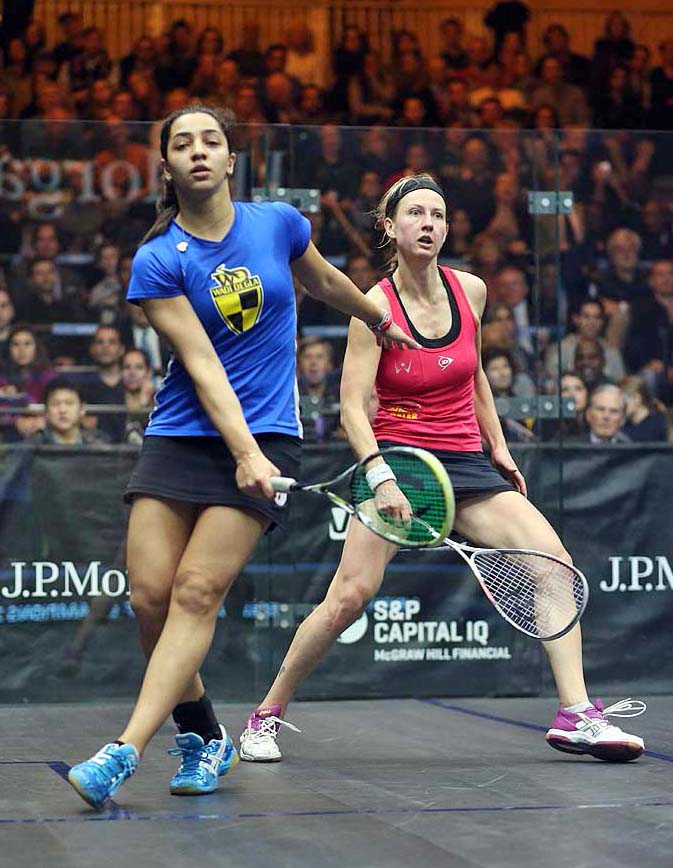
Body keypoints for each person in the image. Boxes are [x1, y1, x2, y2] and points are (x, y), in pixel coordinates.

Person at [67, 104, 417, 809]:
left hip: (269, 434)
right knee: (149, 599)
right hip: (182, 435)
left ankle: (124, 750)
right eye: (182, 144)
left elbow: (322, 280)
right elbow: (201, 364)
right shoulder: (158, 260)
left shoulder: (278, 224)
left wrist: (377, 316)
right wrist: (241, 453)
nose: (198, 151)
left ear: (231, 160)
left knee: (197, 592)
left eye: (211, 141)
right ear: (166, 167)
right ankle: (204, 734)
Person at [238, 173, 644, 766]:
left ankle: (576, 713)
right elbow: (352, 409)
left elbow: (473, 373)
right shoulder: (373, 308)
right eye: (415, 214)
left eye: (438, 215)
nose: (428, 224)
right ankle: (265, 716)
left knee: (552, 563)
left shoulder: (471, 291)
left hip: (466, 462)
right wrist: (381, 477)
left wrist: (498, 445)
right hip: (399, 461)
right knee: (349, 597)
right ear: (389, 226)